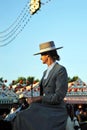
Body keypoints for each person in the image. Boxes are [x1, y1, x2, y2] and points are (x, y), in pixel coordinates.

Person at [12, 41, 68, 130]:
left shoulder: (60, 70)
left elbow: (58, 96)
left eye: (41, 55)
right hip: (44, 106)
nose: (40, 58)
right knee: (19, 114)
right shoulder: (45, 72)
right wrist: (32, 100)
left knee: (22, 116)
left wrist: (39, 98)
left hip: (55, 109)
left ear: (48, 55)